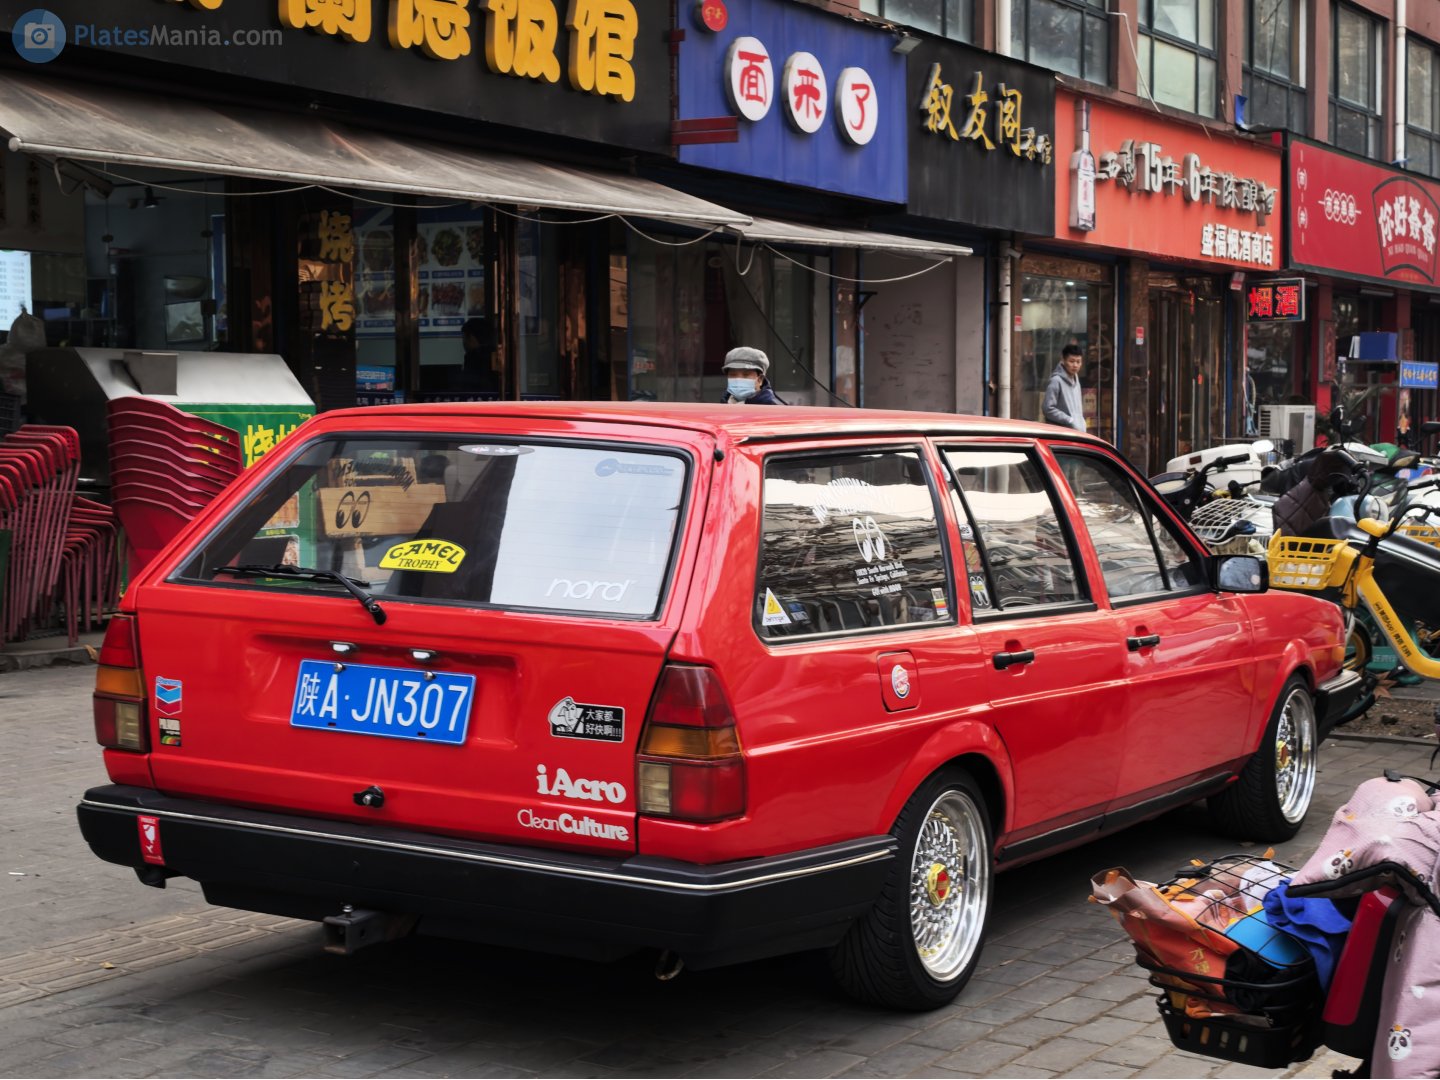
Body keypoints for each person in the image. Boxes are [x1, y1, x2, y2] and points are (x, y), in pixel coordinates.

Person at [1042, 343, 1086, 431]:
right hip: (1062, 433)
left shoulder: (1076, 381)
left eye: (1078, 362)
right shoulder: (1056, 380)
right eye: (1072, 361)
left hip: (1077, 432)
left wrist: (1081, 422)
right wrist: (1069, 420)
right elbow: (1047, 409)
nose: (1075, 365)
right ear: (1063, 360)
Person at [455, 317, 499, 395]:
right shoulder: (496, 355)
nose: (464, 343)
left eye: (464, 338)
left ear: (471, 338)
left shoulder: (473, 358)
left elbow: (468, 386)